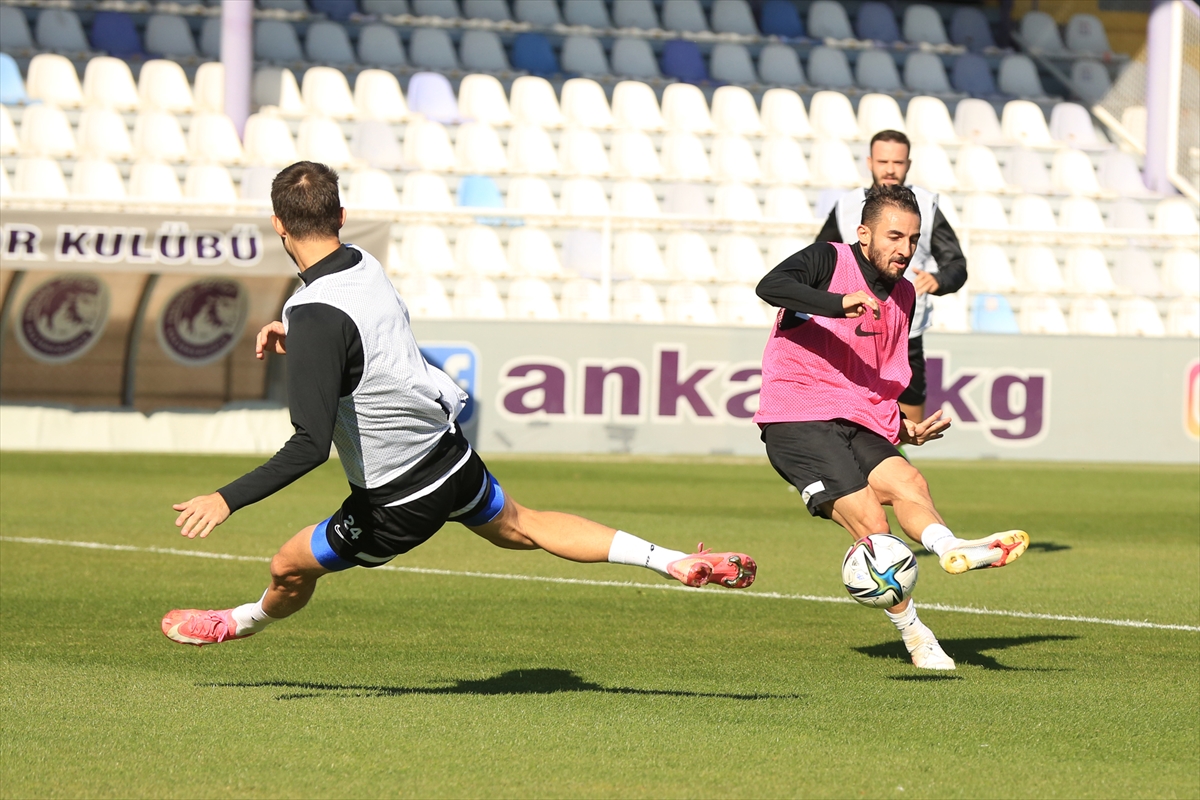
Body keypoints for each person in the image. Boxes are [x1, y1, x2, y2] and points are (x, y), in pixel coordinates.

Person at [162, 161, 757, 647]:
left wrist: (226, 498)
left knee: (288, 565)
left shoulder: (315, 312)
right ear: (342, 217)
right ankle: (668, 558)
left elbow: (309, 446)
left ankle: (237, 623)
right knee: (519, 526)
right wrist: (304, 339)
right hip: (448, 456)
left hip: (396, 499)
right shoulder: (362, 264)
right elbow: (364, 339)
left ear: (276, 225)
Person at [755, 183, 1028, 671]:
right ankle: (918, 638)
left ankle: (950, 547)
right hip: (796, 416)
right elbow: (769, 286)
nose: (904, 250)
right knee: (874, 528)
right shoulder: (826, 259)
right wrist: (838, 303)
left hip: (853, 415)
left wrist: (904, 430)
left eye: (912, 239)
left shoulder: (904, 295)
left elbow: (875, 378)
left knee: (909, 482)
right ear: (864, 234)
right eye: (893, 236)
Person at [815, 130, 967, 424]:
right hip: (852, 328)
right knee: (849, 414)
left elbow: (956, 265)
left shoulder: (926, 205)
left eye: (897, 162)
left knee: (909, 422)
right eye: (883, 161)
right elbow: (821, 259)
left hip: (906, 331)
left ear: (908, 164)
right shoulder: (847, 207)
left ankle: (887, 463)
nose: (889, 169)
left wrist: (939, 280)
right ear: (870, 162)